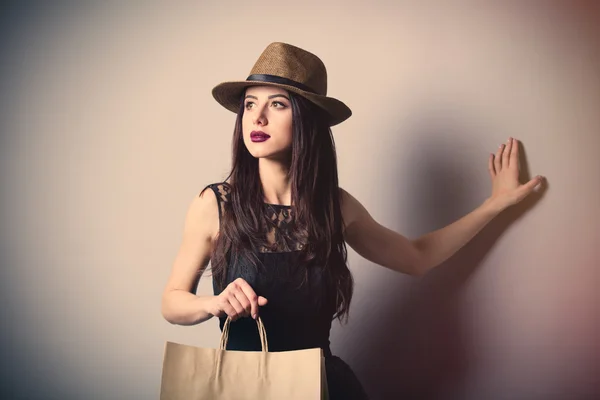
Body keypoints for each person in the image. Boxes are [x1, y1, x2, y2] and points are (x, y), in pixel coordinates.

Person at [161, 42, 545, 399]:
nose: (256, 117)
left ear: (306, 119)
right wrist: (213, 304)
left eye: (277, 105)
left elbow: (416, 257)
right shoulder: (215, 204)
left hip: (321, 388)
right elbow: (172, 303)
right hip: (243, 390)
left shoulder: (335, 207)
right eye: (249, 104)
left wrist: (495, 205)